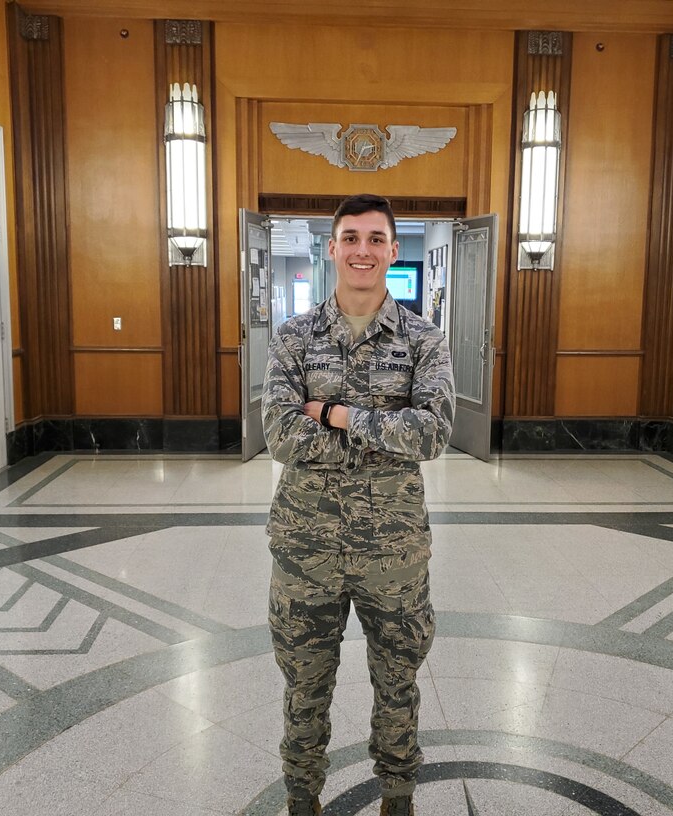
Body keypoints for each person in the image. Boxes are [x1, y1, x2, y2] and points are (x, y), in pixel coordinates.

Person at [262, 194, 455, 816]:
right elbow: (278, 434)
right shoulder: (293, 337)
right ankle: (301, 802)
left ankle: (398, 800)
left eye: (376, 239)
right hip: (304, 552)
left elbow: (432, 434)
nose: (363, 250)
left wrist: (336, 414)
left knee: (399, 686)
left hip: (393, 554)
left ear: (394, 250)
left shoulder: (425, 340)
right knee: (304, 691)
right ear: (332, 248)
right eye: (351, 238)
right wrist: (380, 431)